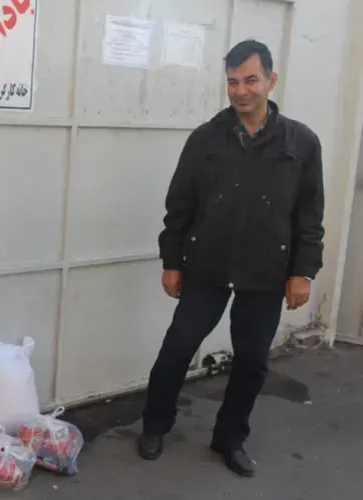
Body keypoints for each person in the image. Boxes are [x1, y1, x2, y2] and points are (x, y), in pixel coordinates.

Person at [137, 39, 324, 477]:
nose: (240, 90)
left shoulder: (301, 142)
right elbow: (179, 206)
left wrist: (303, 272)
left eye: (250, 80)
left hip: (266, 270)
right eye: (232, 81)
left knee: (253, 361)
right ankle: (155, 424)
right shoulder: (205, 138)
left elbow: (309, 214)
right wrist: (172, 261)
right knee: (178, 348)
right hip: (208, 265)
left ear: (271, 81)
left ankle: (230, 437)